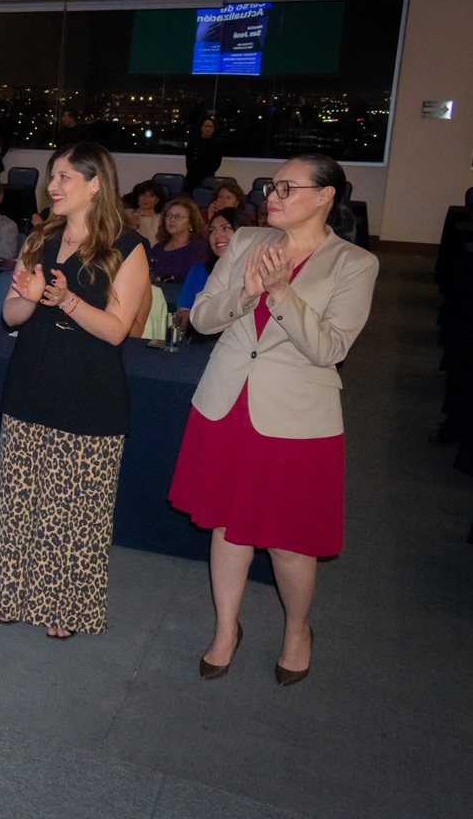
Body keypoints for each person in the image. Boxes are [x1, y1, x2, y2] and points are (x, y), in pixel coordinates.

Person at [168, 154, 378, 685]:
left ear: (326, 195)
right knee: (227, 525)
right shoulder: (244, 242)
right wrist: (248, 293)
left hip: (296, 416)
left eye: (287, 188)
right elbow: (201, 317)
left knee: (289, 540)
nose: (273, 196)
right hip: (226, 401)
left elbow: (330, 348)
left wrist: (282, 294)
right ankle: (225, 628)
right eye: (272, 186)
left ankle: (296, 631)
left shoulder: (354, 263)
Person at [0, 142, 150, 638]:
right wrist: (30, 300)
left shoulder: (129, 246)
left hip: (89, 392)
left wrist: (68, 301)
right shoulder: (42, 238)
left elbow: (118, 329)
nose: (51, 187)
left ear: (95, 184)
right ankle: (12, 591)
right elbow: (9, 315)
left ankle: (65, 605)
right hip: (32, 379)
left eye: (63, 177)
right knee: (19, 497)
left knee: (75, 507)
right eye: (51, 177)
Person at [174, 208, 246, 337]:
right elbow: (182, 314)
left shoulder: (256, 272)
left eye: (226, 228)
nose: (217, 236)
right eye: (212, 231)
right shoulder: (199, 271)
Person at [150, 196, 209, 282]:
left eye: (178, 217)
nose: (172, 220)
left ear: (191, 223)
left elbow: (196, 280)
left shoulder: (199, 247)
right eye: (169, 215)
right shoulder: (158, 248)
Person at [183, 117, 223, 193]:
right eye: (206, 126)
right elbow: (189, 160)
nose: (208, 129)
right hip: (192, 176)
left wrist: (207, 173)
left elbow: (217, 162)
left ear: (213, 129)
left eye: (210, 127)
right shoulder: (193, 143)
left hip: (208, 176)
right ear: (201, 128)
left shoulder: (217, 145)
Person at [129, 180, 166, 246]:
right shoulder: (127, 214)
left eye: (152, 196)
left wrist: (141, 225)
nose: (146, 198)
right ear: (138, 197)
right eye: (143, 194)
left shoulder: (161, 219)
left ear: (157, 200)